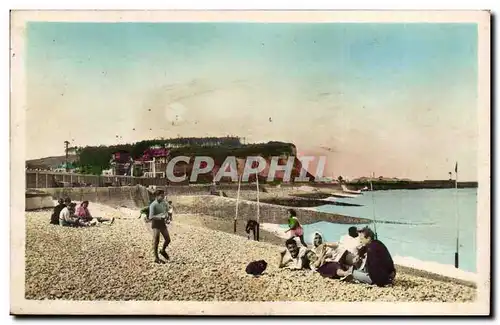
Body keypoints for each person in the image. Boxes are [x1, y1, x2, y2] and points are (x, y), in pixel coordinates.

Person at [148, 189, 171, 264]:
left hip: (162, 223)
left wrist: (167, 217)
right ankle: (156, 258)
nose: (163, 197)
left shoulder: (164, 203)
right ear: (157, 196)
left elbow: (167, 210)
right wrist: (160, 217)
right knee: (156, 240)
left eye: (163, 195)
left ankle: (162, 250)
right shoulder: (153, 205)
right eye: (161, 196)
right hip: (156, 223)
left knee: (168, 239)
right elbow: (150, 217)